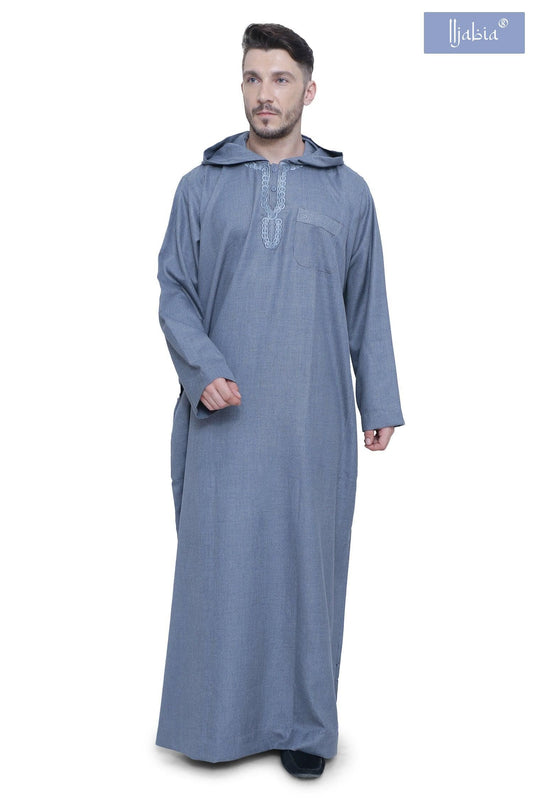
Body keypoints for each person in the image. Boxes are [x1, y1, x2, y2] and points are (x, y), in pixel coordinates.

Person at [155, 22, 405, 779]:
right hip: (223, 418)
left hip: (311, 420)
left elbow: (367, 301)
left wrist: (378, 400)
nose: (265, 94)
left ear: (309, 90)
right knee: (220, 567)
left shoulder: (348, 193)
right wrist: (203, 368)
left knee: (307, 570)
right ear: (241, 86)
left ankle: (302, 725)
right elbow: (175, 291)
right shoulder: (201, 187)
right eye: (253, 78)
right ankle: (213, 722)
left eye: (281, 79)